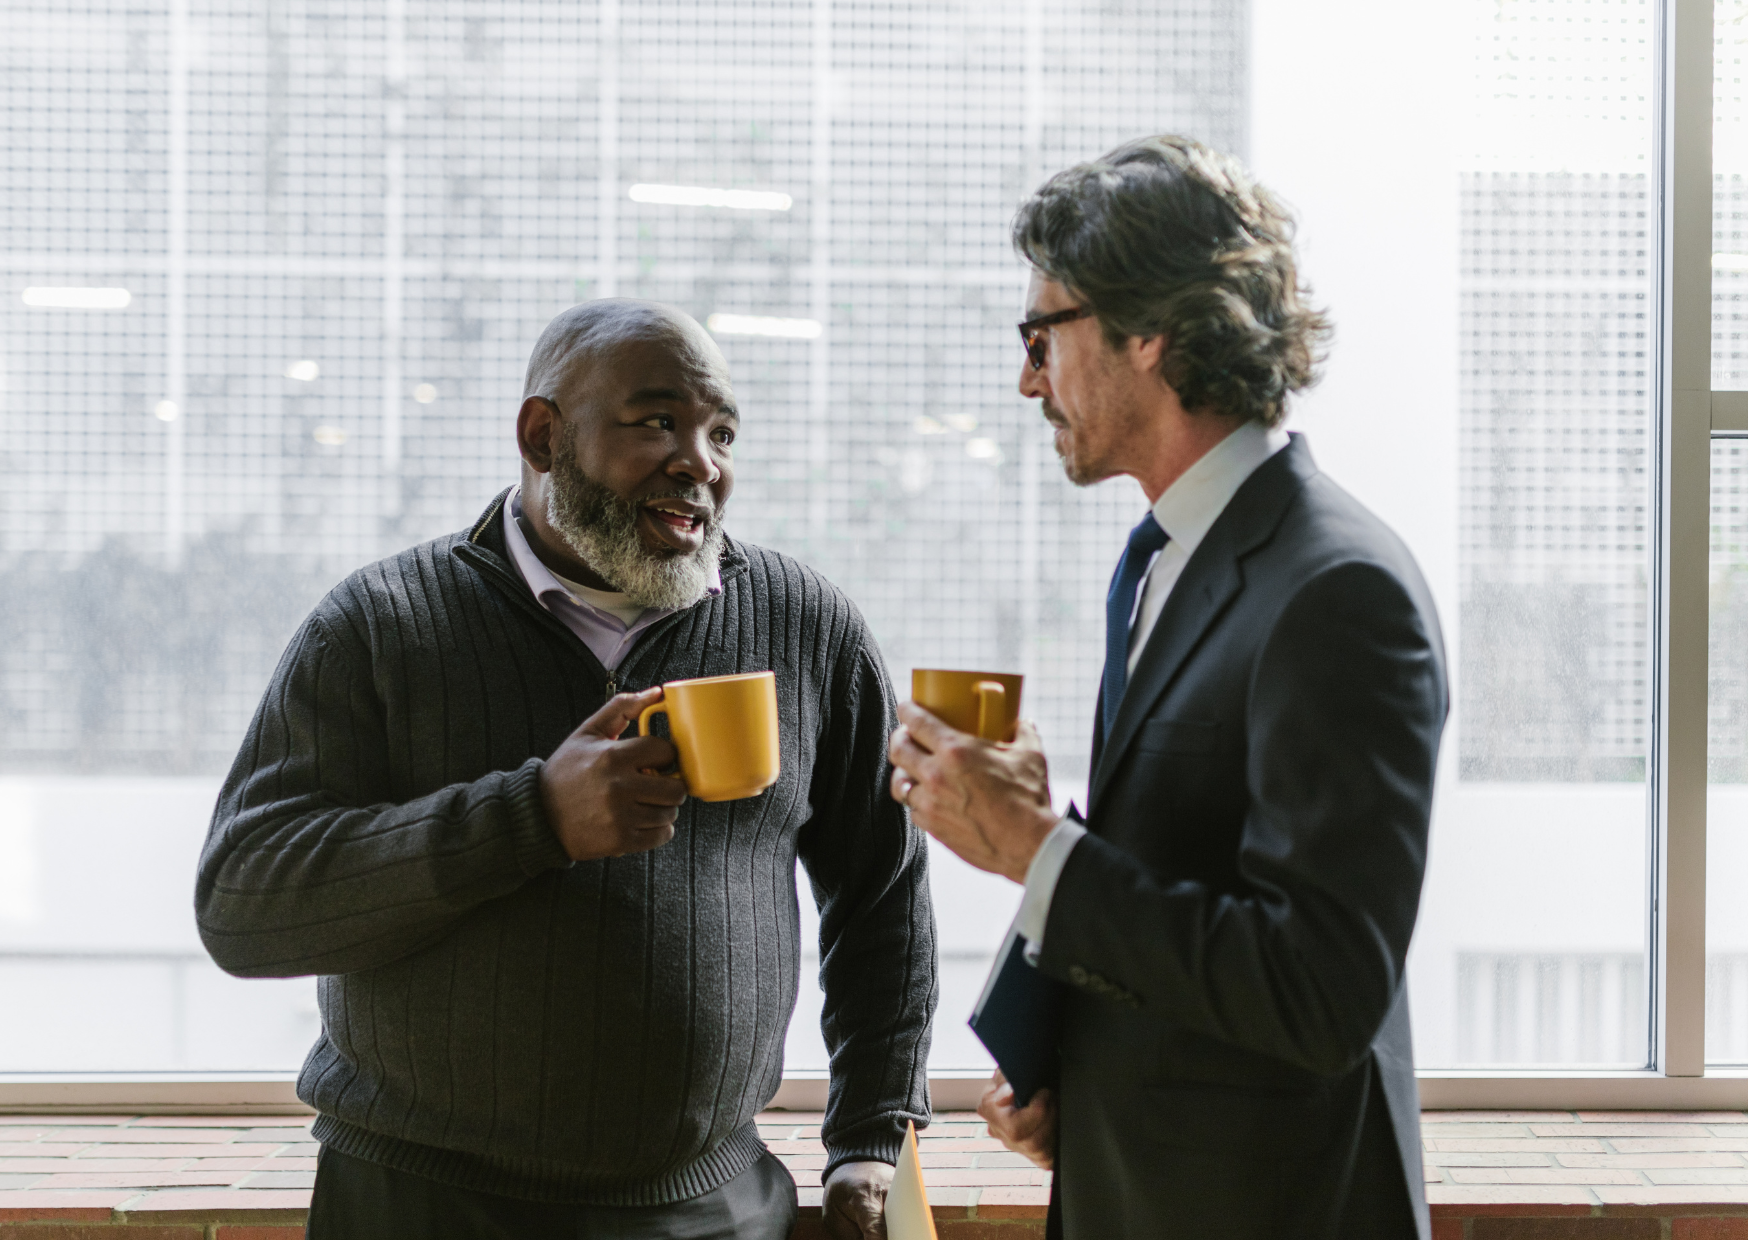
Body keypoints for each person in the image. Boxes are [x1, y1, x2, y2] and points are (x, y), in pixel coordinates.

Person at [197, 299, 936, 1240]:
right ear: (543, 436)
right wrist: (532, 817)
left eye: (722, 432)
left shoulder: (807, 625)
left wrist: (870, 1136)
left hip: (715, 1208)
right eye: (657, 421)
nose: (700, 463)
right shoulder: (381, 625)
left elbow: (884, 892)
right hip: (424, 1208)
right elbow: (242, 905)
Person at [888, 136, 1447, 1239]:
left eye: (1040, 331)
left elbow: (1317, 986)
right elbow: (1183, 872)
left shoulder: (1337, 591)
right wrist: (1062, 1058)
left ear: (1147, 330)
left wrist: (1032, 848)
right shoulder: (1160, 557)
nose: (1024, 375)